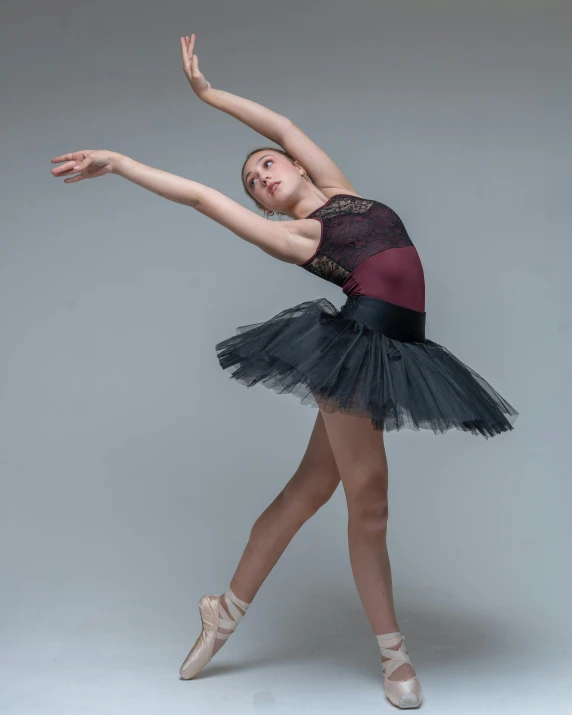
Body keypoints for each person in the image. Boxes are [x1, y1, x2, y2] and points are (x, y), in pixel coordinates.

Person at [50, 33, 518, 710]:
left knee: (307, 491)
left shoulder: (340, 190)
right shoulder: (294, 234)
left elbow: (283, 125)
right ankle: (394, 655)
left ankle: (224, 610)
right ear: (268, 205)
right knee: (372, 501)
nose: (263, 174)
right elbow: (201, 198)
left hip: (397, 350)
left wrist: (210, 96)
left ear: (297, 166)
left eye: (268, 164)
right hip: (356, 347)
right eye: (254, 182)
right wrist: (120, 161)